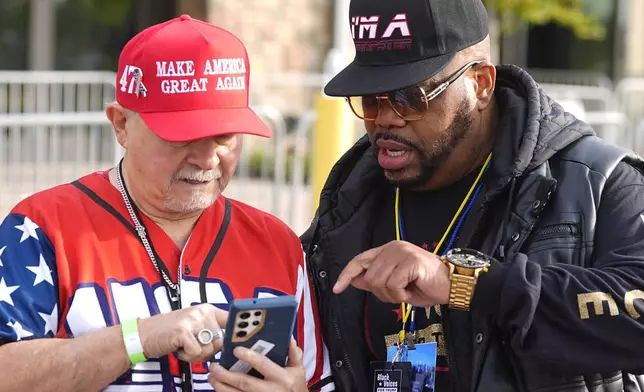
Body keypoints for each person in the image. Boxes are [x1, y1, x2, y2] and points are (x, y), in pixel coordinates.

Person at [301, 0, 644, 391]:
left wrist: (467, 283)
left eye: (409, 97)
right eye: (369, 99)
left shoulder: (595, 182)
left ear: (480, 84)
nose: (385, 118)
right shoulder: (351, 196)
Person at [0, 15, 334, 392]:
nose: (207, 159)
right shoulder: (42, 225)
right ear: (122, 124)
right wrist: (139, 339)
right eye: (183, 137)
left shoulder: (277, 242)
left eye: (224, 136)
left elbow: (316, 379)